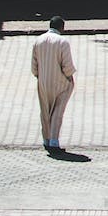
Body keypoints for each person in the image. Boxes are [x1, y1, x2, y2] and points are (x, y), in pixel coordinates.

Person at [30, 16, 77, 152]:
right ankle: (54, 141)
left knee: (45, 111)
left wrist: (39, 76)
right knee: (57, 111)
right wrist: (70, 77)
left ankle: (46, 139)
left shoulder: (38, 40)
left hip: (43, 81)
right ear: (62, 27)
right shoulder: (63, 42)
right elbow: (67, 66)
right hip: (60, 82)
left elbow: (34, 66)